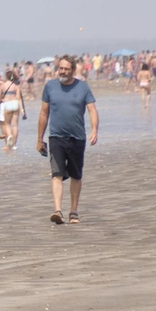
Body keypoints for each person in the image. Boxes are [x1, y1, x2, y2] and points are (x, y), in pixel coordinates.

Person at [36, 56, 99, 225]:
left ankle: (73, 211)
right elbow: (44, 113)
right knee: (56, 173)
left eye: (66, 69)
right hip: (56, 137)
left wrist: (94, 130)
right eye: (61, 68)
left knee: (76, 175)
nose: (62, 71)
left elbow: (92, 110)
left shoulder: (83, 87)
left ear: (73, 70)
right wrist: (39, 139)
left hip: (77, 138)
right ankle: (57, 211)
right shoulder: (50, 86)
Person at [0, 69, 26, 149]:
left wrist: (3, 100)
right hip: (15, 104)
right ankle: (14, 144)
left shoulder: (3, 86)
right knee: (15, 125)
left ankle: (10, 136)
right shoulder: (16, 86)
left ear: (6, 77)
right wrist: (22, 109)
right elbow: (19, 98)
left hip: (7, 104)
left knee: (7, 124)